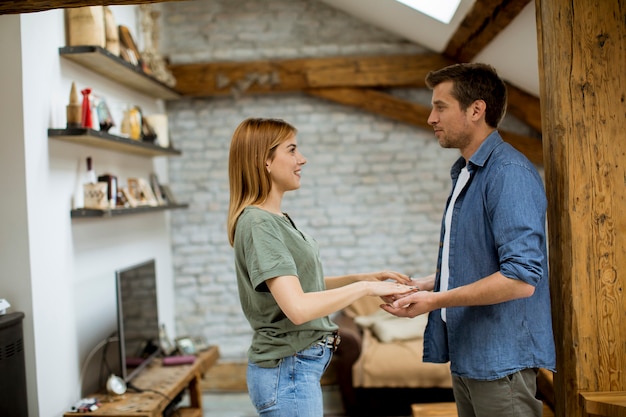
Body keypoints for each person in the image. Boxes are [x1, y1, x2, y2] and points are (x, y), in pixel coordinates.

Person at [381, 63, 556, 417]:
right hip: (469, 356)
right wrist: (423, 285)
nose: (431, 118)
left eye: (440, 107)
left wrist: (435, 300)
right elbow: (477, 260)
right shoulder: (467, 172)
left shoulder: (508, 174)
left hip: (501, 362)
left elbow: (520, 279)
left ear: (476, 110)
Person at [227, 117, 415, 417]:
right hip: (288, 371)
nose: (302, 159)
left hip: (294, 369)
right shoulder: (258, 224)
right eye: (291, 150)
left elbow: (298, 286)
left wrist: (363, 277)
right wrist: (365, 288)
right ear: (265, 160)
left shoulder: (274, 219)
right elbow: (298, 308)